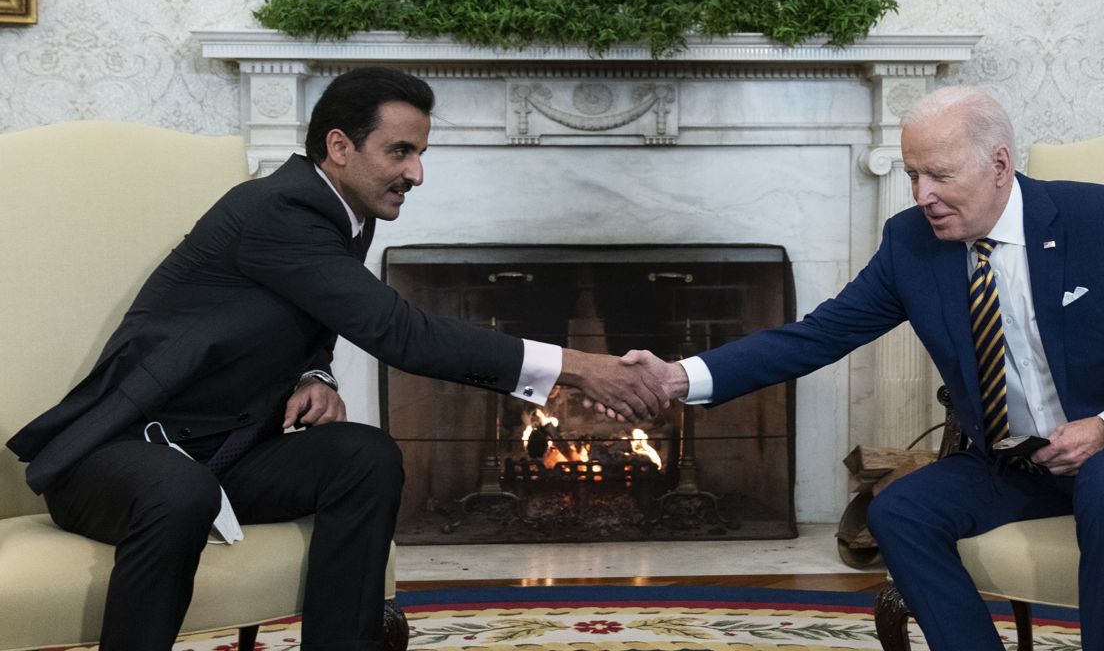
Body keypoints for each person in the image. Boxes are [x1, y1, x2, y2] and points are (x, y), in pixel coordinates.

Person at [6, 66, 667, 650]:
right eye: (401, 151)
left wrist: (314, 371)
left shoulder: (345, 212)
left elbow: (316, 308)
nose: (417, 173)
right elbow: (396, 331)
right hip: (117, 456)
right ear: (339, 147)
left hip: (223, 452)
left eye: (420, 153)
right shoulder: (278, 212)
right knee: (182, 491)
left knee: (365, 458)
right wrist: (579, 367)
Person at [623, 86, 1104, 650]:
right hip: (1016, 459)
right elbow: (818, 335)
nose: (922, 196)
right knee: (896, 512)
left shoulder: (1100, 220)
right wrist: (681, 377)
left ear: (1000, 164)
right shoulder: (911, 244)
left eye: (939, 175)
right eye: (913, 174)